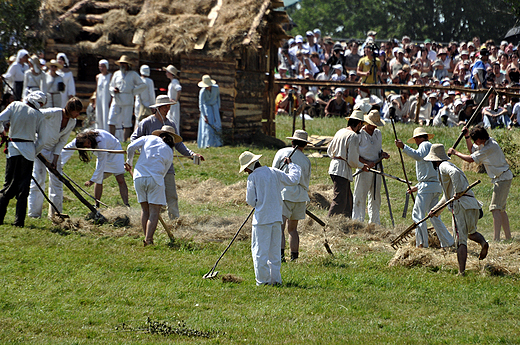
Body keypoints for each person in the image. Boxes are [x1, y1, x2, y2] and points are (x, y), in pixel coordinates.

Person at [131, 95, 204, 219]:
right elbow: (134, 139)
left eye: (169, 106)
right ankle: (155, 220)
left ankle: (174, 220)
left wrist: (191, 154)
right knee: (155, 196)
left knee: (171, 195)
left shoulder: (170, 125)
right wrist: (143, 150)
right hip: (150, 167)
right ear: (158, 108)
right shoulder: (146, 123)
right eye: (165, 106)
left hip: (167, 165)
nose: (167, 109)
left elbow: (179, 145)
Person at [424, 144, 488, 276]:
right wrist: (436, 210)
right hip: (471, 204)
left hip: (461, 205)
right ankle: (483, 242)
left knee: (460, 241)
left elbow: (455, 176)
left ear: (435, 160)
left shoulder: (443, 166)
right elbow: (447, 197)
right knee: (471, 233)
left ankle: (461, 272)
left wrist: (458, 192)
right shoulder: (449, 166)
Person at [239, 150, 301, 286]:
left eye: (246, 169)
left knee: (260, 251)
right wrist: (291, 165)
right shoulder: (274, 172)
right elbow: (293, 179)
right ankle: (275, 280)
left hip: (261, 219)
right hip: (276, 218)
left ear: (250, 166)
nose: (245, 172)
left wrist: (258, 203)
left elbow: (250, 200)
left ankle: (262, 281)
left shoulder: (253, 177)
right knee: (274, 251)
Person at [448, 125, 512, 241]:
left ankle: (496, 239)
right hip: (502, 178)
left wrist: (455, 152)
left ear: (480, 138)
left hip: (503, 178)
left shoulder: (489, 147)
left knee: (495, 208)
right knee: (501, 209)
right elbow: (472, 151)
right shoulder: (485, 143)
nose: (474, 143)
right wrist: (467, 136)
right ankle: (508, 237)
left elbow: (471, 159)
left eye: (474, 140)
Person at [395, 127, 455, 248]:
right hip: (434, 185)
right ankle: (448, 242)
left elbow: (418, 156)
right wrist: (417, 187)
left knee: (418, 215)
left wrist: (404, 147)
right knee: (433, 216)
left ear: (418, 138)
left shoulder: (424, 145)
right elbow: (430, 174)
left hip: (427, 187)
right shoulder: (429, 147)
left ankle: (422, 244)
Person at [125, 126, 181, 246]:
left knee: (145, 210)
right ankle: (149, 240)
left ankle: (147, 238)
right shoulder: (169, 151)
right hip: (155, 179)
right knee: (154, 211)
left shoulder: (148, 138)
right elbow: (165, 171)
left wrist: (129, 162)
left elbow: (130, 147)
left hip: (138, 177)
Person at [28, 97, 82, 218]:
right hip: (39, 148)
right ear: (70, 109)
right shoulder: (53, 113)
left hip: (53, 151)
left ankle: (55, 213)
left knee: (57, 181)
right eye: (77, 111)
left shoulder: (72, 122)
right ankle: (34, 213)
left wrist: (55, 159)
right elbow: (36, 114)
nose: (78, 114)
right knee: (38, 178)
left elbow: (62, 141)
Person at [0, 91, 47, 226]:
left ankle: (0, 218)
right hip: (28, 151)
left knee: (8, 184)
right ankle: (19, 221)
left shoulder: (14, 105)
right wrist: (33, 152)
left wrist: (2, 132)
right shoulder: (39, 115)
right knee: (23, 187)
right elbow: (42, 140)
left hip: (13, 148)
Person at [61, 129, 129, 207]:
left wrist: (92, 180)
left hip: (114, 152)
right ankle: (97, 204)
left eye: (89, 143)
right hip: (102, 155)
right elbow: (67, 149)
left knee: (120, 179)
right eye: (86, 146)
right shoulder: (79, 140)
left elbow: (101, 163)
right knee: (99, 179)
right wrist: (59, 164)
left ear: (89, 138)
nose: (89, 146)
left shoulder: (101, 140)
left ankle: (126, 204)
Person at [272, 130, 311, 262]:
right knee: (293, 229)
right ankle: (294, 257)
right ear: (304, 144)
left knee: (280, 228)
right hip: (300, 196)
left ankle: (280, 256)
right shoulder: (306, 160)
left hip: (285, 194)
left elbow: (274, 172)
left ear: (292, 141)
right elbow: (306, 181)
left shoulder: (282, 152)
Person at [327, 109, 370, 218]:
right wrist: (362, 166)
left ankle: (346, 224)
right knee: (339, 200)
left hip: (335, 167)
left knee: (347, 201)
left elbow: (329, 151)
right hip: (341, 170)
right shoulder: (353, 136)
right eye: (362, 124)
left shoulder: (340, 131)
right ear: (359, 123)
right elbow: (352, 160)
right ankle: (328, 224)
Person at [352, 110, 389, 225]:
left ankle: (374, 222)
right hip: (363, 168)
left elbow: (377, 149)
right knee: (360, 195)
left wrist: (382, 154)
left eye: (375, 125)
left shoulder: (378, 133)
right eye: (371, 124)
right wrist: (365, 163)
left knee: (375, 196)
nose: (373, 127)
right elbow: (354, 154)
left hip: (377, 168)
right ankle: (358, 222)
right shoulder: (359, 135)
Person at [108, 55, 147, 141]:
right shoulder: (116, 74)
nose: (122, 65)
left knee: (127, 122)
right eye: (121, 63)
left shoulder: (133, 74)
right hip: (117, 99)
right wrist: (114, 90)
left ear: (128, 65)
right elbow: (111, 86)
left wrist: (133, 91)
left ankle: (125, 140)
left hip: (127, 100)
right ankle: (111, 139)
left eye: (124, 63)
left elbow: (143, 85)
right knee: (111, 119)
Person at [197, 75, 222, 148]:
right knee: (208, 126)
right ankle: (208, 143)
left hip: (215, 106)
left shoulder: (216, 88)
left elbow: (218, 97)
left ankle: (218, 142)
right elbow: (201, 104)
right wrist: (204, 115)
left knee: (217, 124)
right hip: (206, 108)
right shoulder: (202, 92)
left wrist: (218, 107)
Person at [163, 65, 182, 130]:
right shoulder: (172, 82)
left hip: (174, 105)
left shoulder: (174, 81)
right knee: (170, 120)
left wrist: (175, 100)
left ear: (170, 73)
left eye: (167, 72)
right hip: (171, 105)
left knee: (174, 121)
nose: (166, 73)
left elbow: (179, 89)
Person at [95, 59, 112, 130]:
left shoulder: (110, 76)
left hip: (107, 98)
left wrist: (111, 100)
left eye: (103, 66)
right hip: (99, 98)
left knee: (106, 114)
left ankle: (106, 130)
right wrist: (95, 101)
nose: (101, 68)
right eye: (100, 66)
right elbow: (97, 89)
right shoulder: (98, 77)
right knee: (99, 114)